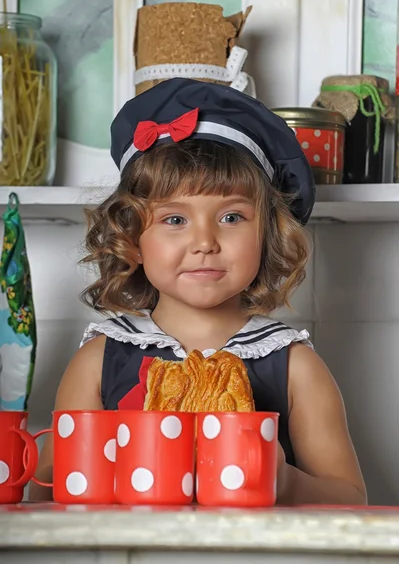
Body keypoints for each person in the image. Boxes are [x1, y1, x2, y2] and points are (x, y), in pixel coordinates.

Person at [30, 78, 366, 505]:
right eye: (174, 220)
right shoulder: (100, 360)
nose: (204, 241)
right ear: (133, 238)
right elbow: (45, 493)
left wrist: (284, 481)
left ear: (268, 233)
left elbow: (352, 499)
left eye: (231, 217)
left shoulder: (293, 366)